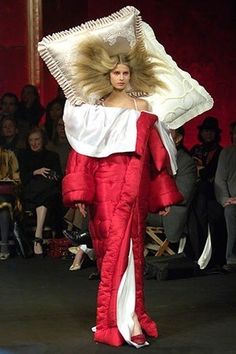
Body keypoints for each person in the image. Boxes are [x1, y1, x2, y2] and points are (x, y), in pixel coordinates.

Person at [62, 35, 183, 348]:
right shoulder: (94, 109)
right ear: (107, 75)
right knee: (108, 252)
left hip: (133, 188)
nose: (120, 77)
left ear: (132, 76)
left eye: (125, 73)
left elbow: (154, 155)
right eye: (116, 73)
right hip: (103, 189)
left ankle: (127, 320)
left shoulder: (141, 107)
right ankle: (115, 318)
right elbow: (83, 153)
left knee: (128, 251)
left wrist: (163, 196)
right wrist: (81, 196)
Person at [147, 126, 197, 251]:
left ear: (178, 138)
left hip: (169, 211)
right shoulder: (152, 157)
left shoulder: (185, 161)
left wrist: (161, 202)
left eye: (168, 133)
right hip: (150, 206)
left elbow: (183, 193)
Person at [189, 116, 227, 268]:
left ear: (216, 133)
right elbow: (191, 171)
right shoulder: (195, 150)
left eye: (211, 131)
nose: (208, 134)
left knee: (204, 195)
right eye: (206, 131)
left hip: (213, 192)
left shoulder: (220, 152)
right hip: (196, 192)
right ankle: (195, 254)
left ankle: (209, 255)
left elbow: (213, 174)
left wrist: (202, 171)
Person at [18, 126, 62, 255]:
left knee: (47, 195)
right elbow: (22, 177)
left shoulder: (52, 156)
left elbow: (57, 176)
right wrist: (36, 172)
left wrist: (48, 174)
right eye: (31, 140)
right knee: (47, 193)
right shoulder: (23, 156)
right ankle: (38, 238)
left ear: (43, 140)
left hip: (47, 192)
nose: (34, 143)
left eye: (37, 139)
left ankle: (38, 236)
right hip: (29, 192)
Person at [215, 121, 236, 272]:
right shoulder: (227, 153)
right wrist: (225, 200)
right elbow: (220, 180)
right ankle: (232, 258)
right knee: (230, 211)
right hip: (232, 200)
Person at [0, 145, 21, 260]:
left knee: (3, 204)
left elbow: (16, 179)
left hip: (6, 194)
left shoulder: (8, 154)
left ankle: (4, 244)